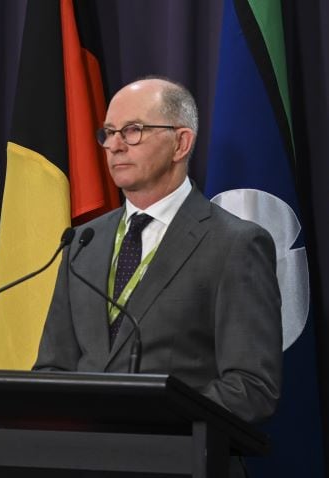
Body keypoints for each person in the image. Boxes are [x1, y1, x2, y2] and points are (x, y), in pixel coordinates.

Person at [34, 77, 282, 427]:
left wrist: (147, 422)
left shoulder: (234, 244)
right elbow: (53, 367)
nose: (115, 146)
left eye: (132, 130)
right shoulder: (82, 241)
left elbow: (251, 387)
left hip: (178, 458)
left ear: (181, 143)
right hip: (85, 458)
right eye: (108, 132)